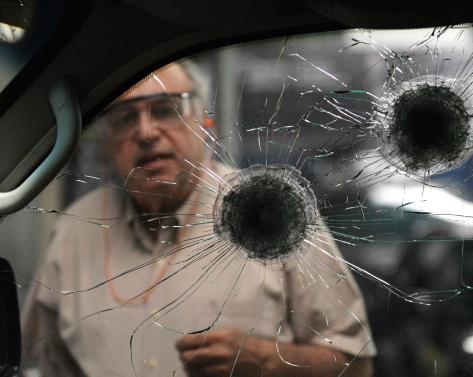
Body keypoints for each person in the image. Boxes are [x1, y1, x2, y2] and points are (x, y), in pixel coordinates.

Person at [21, 60, 376, 377]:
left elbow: (357, 366)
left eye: (165, 110)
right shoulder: (73, 231)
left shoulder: (274, 211)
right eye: (124, 118)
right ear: (107, 143)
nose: (145, 133)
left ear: (204, 123)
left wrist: (267, 363)